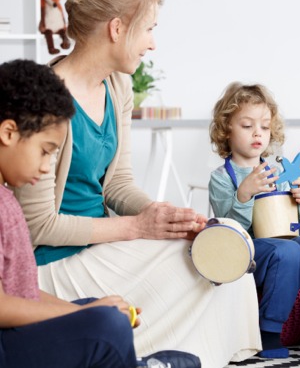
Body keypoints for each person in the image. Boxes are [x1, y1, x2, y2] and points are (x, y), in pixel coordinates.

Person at [12, 0, 262, 367]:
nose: (152, 44)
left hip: (101, 246)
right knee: (196, 266)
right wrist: (136, 228)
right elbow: (39, 226)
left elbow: (118, 184)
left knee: (224, 250)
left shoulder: (118, 86)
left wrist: (168, 218)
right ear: (116, 29)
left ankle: (199, 356)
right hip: (54, 262)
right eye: (149, 29)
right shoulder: (50, 100)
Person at [0, 59, 202, 368]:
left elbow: (24, 293)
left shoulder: (7, 200)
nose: (45, 167)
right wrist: (83, 315)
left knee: (106, 315)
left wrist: (87, 309)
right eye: (45, 151)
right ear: (9, 133)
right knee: (105, 326)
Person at [208, 82, 300, 358]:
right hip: (244, 250)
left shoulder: (276, 171)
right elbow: (229, 231)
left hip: (280, 241)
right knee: (286, 251)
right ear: (227, 130)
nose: (257, 133)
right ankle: (269, 331)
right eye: (247, 126)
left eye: (263, 126)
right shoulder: (222, 178)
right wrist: (244, 193)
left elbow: (296, 220)